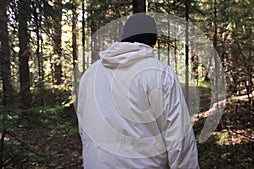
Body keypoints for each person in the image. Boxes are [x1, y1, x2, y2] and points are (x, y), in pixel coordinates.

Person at [76, 13, 200, 169]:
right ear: (152, 40)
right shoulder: (160, 73)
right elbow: (178, 137)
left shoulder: (91, 73)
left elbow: (84, 127)